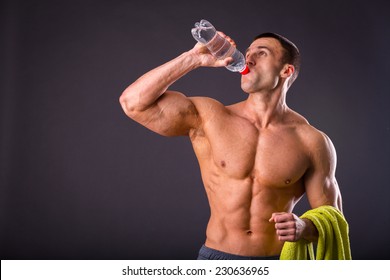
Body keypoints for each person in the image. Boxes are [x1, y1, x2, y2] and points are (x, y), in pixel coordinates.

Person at [119, 31, 343, 260]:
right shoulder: (211, 117)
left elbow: (333, 220)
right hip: (217, 259)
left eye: (261, 53)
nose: (248, 59)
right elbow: (133, 103)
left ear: (286, 70)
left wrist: (304, 226)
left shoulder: (312, 141)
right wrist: (194, 58)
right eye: (247, 54)